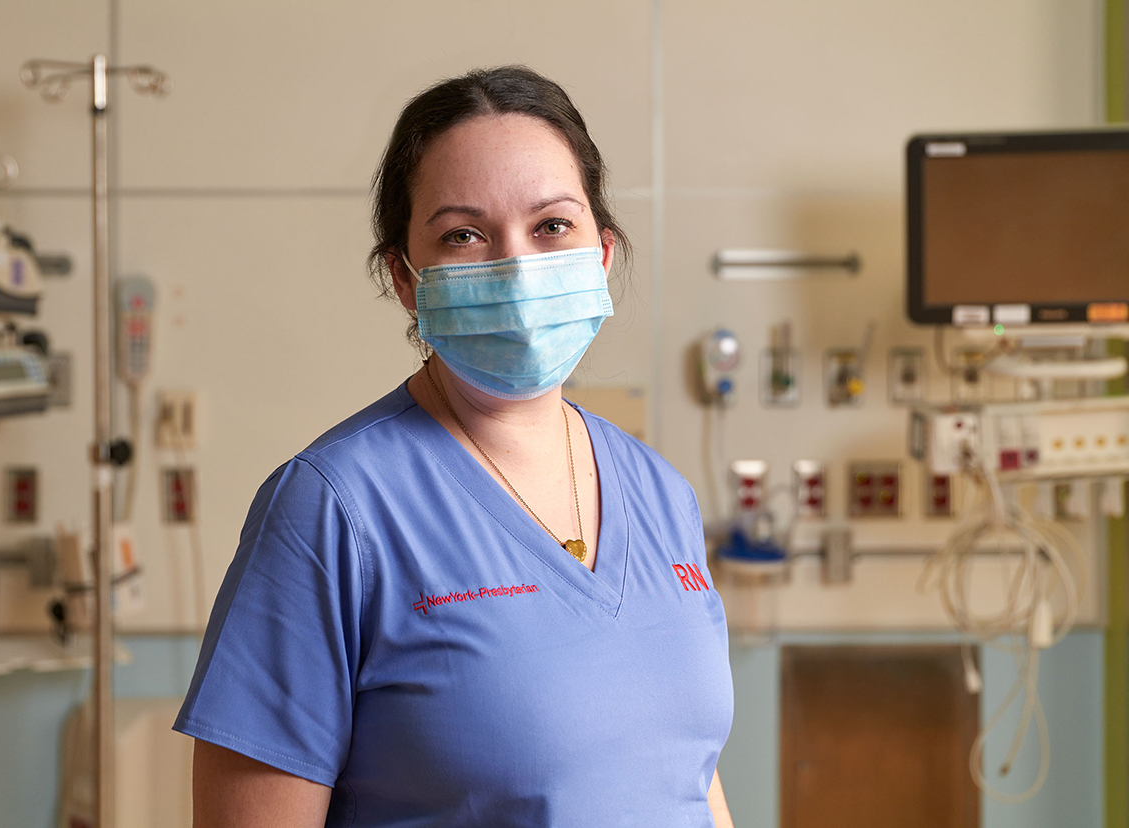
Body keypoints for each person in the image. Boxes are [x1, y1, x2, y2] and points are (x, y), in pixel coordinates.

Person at [175, 65, 734, 828]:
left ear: (600, 255)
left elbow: (689, 782)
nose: (516, 266)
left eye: (551, 227)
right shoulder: (333, 509)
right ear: (405, 280)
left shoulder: (661, 493)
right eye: (463, 235)